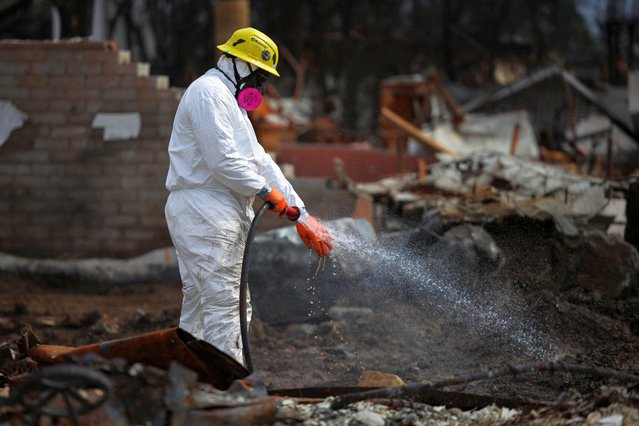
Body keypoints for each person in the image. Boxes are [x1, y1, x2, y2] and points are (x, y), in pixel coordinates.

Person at [164, 27, 334, 365]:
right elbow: (224, 161)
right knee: (227, 305)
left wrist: (301, 213)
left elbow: (260, 161)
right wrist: (265, 193)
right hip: (204, 208)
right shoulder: (208, 94)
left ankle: (191, 381)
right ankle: (228, 390)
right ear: (238, 64)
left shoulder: (231, 105)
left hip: (214, 209)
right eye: (259, 76)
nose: (260, 86)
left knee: (202, 304)